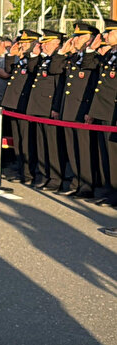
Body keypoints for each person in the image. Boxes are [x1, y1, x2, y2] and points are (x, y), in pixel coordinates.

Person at [54, 23, 100, 197]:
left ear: (90, 39)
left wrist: (91, 111)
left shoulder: (93, 58)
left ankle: (87, 185)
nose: (76, 39)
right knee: (73, 150)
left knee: (84, 150)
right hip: (69, 109)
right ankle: (76, 181)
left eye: (81, 36)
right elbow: (55, 70)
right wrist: (62, 52)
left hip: (82, 109)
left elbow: (92, 83)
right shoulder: (74, 58)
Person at [25, 30, 67, 190]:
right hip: (39, 106)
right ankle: (44, 174)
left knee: (52, 145)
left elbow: (60, 85)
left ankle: (55, 178)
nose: (43, 45)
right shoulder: (46, 59)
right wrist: (35, 55)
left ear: (57, 43)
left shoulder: (59, 59)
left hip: (50, 108)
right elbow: (31, 70)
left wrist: (56, 107)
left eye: (47, 42)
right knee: (41, 144)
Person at [1, 31, 41, 183]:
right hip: (14, 104)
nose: (22, 45)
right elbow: (9, 70)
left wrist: (31, 55)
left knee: (26, 141)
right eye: (21, 42)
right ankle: (20, 169)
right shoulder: (22, 59)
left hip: (24, 106)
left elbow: (32, 70)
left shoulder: (35, 60)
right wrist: (11, 55)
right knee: (18, 141)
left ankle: (28, 173)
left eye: (26, 42)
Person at [85, 19, 117, 207]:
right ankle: (108, 189)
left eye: (110, 33)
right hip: (103, 111)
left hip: (113, 112)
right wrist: (92, 49)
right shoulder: (109, 56)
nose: (105, 36)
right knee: (105, 155)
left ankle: (114, 193)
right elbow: (91, 68)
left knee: (114, 156)